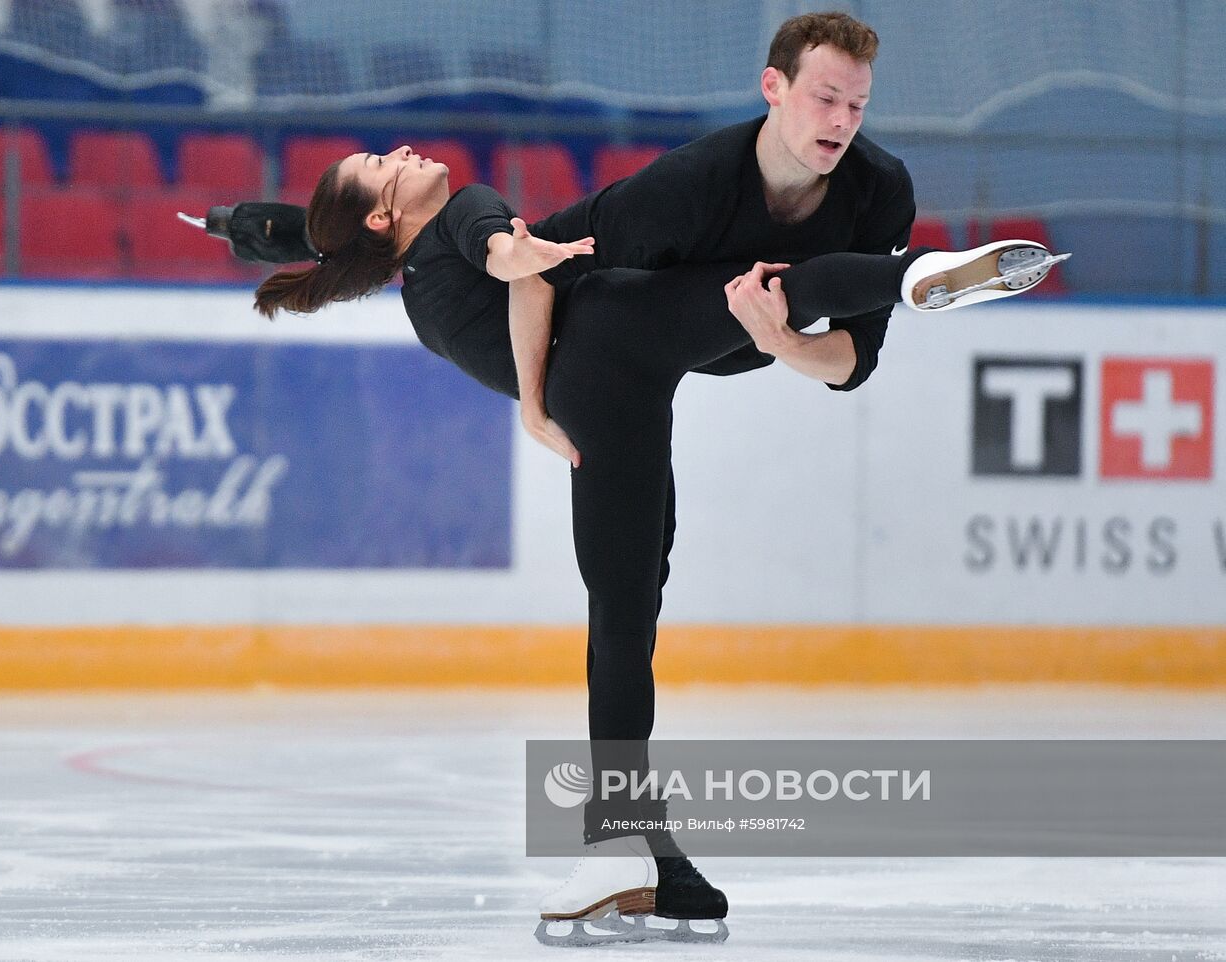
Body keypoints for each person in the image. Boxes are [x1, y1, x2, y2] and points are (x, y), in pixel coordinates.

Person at [217, 13, 1066, 946]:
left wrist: (536, 395)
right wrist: (534, 393)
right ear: (383, 218)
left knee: (626, 610)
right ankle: (914, 278)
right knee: (626, 606)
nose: (405, 148)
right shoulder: (459, 223)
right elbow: (508, 260)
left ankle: (646, 860)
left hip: (618, 362)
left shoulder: (441, 247)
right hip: (613, 360)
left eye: (855, 103)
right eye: (385, 161)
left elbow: (500, 258)